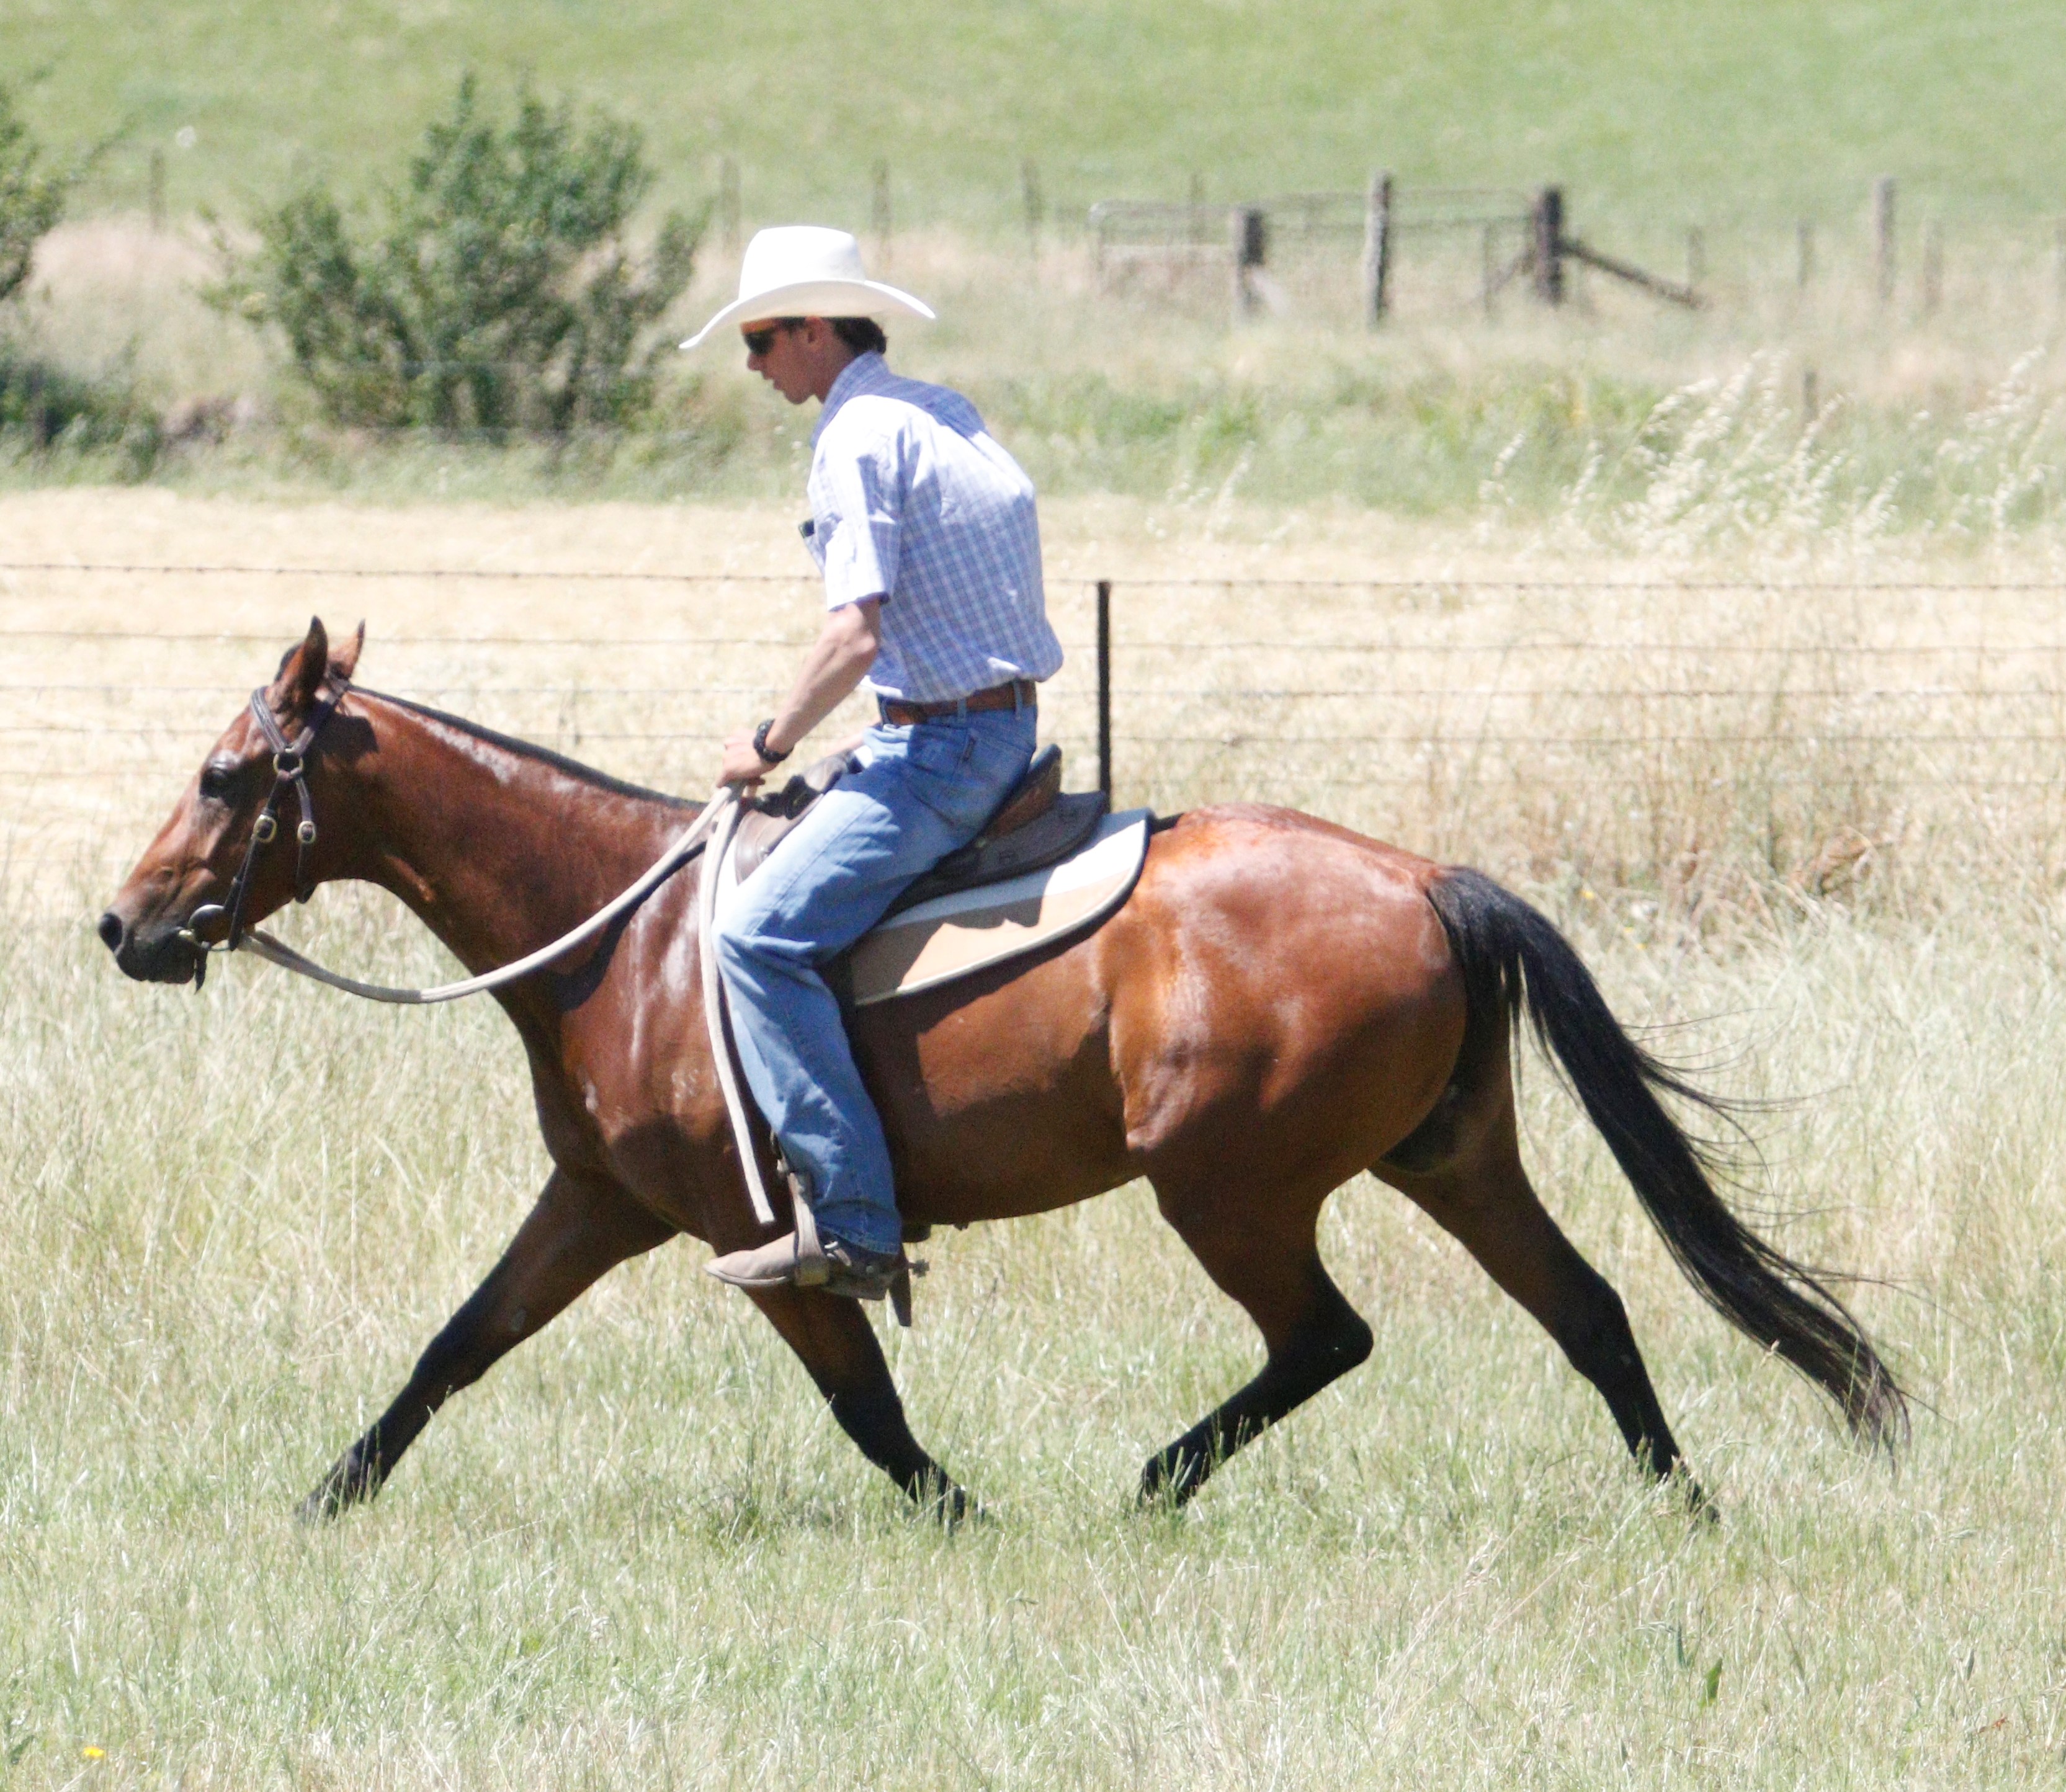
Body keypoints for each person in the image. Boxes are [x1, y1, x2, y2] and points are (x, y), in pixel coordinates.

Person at [681, 226, 1063, 1299]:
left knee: (755, 938)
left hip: (943, 750)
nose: (751, 363)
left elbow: (853, 634)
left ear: (814, 329)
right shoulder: (938, 410)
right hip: (983, 726)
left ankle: (852, 1222)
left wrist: (768, 743)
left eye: (760, 338)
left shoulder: (853, 439)